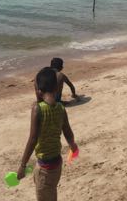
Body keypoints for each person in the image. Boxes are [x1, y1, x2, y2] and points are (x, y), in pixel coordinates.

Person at [16, 67, 78, 200]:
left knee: (45, 195)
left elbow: (33, 139)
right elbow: (68, 132)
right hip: (57, 163)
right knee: (51, 192)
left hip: (45, 167)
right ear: (56, 88)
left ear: (38, 90)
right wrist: (72, 145)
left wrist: (23, 165)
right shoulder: (61, 108)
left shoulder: (37, 109)